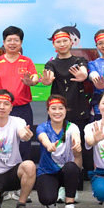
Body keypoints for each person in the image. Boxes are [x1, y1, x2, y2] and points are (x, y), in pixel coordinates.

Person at [0, 25, 38, 162]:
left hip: (22, 108)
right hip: (2, 109)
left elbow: (35, 78)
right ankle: (2, 168)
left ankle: (23, 169)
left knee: (24, 142)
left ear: (21, 43)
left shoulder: (27, 61)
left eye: (16, 40)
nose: (12, 43)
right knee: (2, 142)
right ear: (4, 42)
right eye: (9, 40)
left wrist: (30, 81)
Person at [41, 29, 92, 176]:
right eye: (58, 42)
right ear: (54, 45)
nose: (62, 44)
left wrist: (83, 74)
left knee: (78, 145)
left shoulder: (79, 61)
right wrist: (47, 80)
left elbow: (83, 70)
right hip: (57, 110)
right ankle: (55, 176)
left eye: (65, 41)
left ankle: (78, 177)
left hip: (78, 107)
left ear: (71, 42)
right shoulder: (51, 64)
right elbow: (49, 76)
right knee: (56, 144)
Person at [35, 95, 82, 208]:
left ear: (66, 110)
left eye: (61, 108)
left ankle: (70, 205)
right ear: (48, 111)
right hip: (48, 172)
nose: (57, 112)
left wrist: (77, 144)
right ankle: (53, 194)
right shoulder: (43, 127)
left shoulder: (72, 127)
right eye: (53, 108)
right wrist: (49, 145)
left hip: (66, 171)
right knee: (47, 199)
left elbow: (76, 137)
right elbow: (43, 137)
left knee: (71, 167)